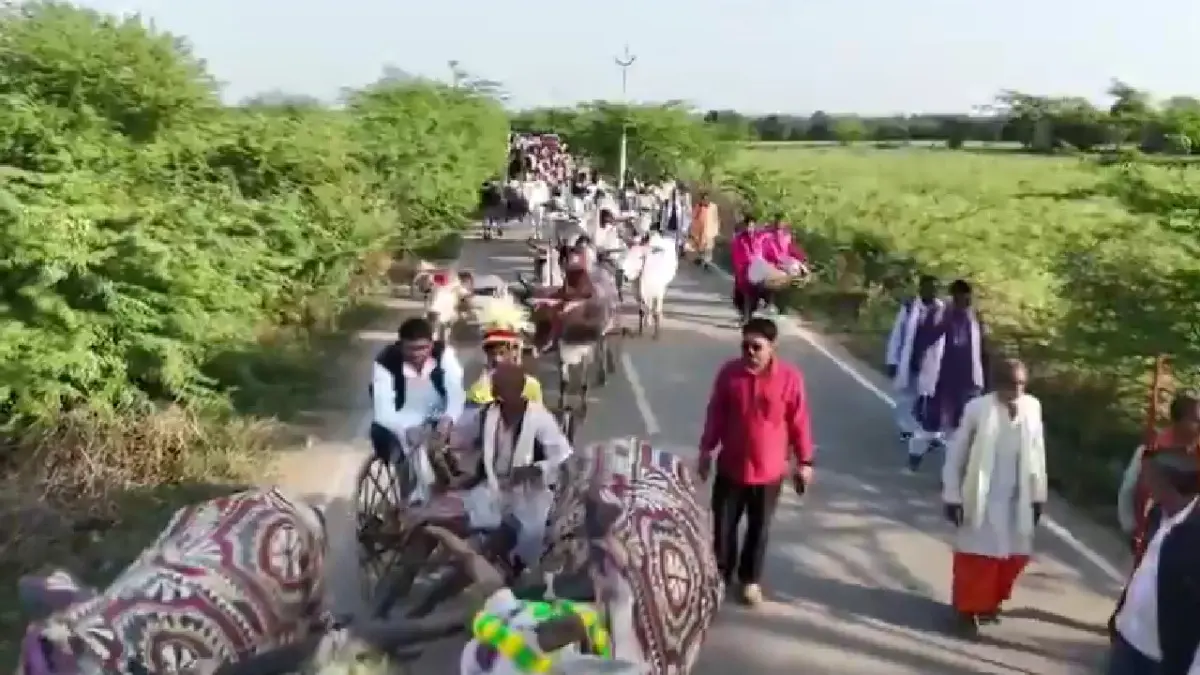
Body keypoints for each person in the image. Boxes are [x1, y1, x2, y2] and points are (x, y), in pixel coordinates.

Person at [699, 317, 815, 606]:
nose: (749, 352)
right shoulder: (729, 374)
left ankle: (750, 580)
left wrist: (805, 462)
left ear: (772, 346)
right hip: (731, 467)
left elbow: (799, 422)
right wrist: (706, 450)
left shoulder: (790, 379)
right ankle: (721, 576)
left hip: (769, 472)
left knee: (759, 529)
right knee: (723, 527)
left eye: (756, 347)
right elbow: (716, 414)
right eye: (745, 346)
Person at [941, 358, 1047, 633]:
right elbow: (956, 454)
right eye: (1011, 384)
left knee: (1013, 556)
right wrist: (952, 496)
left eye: (1022, 384)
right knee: (977, 558)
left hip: (1017, 499)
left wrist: (1038, 495)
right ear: (997, 384)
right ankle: (966, 612)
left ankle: (989, 603)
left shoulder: (1032, 407)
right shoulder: (977, 409)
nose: (1017, 390)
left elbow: (1038, 452)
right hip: (982, 496)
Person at [1108, 449, 1200, 675]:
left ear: (1168, 483)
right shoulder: (1158, 514)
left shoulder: (1194, 533)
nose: (1147, 485)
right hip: (1127, 638)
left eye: (1151, 478)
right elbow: (1144, 568)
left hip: (1159, 658)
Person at [370, 317, 466, 503]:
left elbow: (456, 393)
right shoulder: (385, 362)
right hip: (401, 420)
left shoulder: (444, 355)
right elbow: (383, 411)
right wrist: (404, 430)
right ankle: (414, 499)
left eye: (422, 348)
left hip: (438, 415)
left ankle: (450, 490)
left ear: (431, 345)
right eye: (410, 349)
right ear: (400, 346)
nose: (416, 354)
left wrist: (448, 418)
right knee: (410, 455)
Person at [907, 279, 985, 472]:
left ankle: (951, 472)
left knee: (959, 429)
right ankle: (915, 454)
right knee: (930, 424)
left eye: (967, 297)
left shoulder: (974, 318)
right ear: (954, 297)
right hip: (940, 380)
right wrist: (917, 365)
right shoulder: (941, 314)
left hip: (966, 382)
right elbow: (924, 340)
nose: (965, 301)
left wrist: (983, 380)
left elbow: (982, 350)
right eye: (961, 297)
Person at [1117, 393, 1200, 564]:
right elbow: (1128, 490)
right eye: (1195, 420)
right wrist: (1131, 528)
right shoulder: (1150, 451)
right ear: (1179, 421)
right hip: (1151, 540)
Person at [886, 275, 943, 444]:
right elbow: (898, 334)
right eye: (928, 287)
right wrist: (892, 360)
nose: (932, 291)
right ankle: (906, 429)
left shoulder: (943, 310)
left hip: (933, 362)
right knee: (906, 397)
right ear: (921, 289)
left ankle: (933, 433)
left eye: (935, 287)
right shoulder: (910, 307)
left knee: (933, 399)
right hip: (911, 359)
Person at [466, 296, 543, 407]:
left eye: (502, 353)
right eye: (492, 353)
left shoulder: (531, 386)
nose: (497, 358)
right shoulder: (479, 387)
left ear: (515, 352)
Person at [730, 215, 764, 322]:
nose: (750, 229)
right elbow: (736, 255)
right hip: (743, 270)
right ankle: (745, 315)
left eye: (752, 226)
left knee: (756, 293)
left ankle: (749, 314)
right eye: (748, 226)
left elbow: (761, 253)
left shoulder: (759, 238)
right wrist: (740, 268)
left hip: (756, 269)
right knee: (743, 293)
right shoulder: (739, 239)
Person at [688, 191, 720, 268]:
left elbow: (716, 219)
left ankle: (706, 262)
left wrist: (716, 231)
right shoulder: (698, 206)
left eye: (707, 199)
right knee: (700, 246)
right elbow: (693, 217)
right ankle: (701, 259)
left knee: (708, 247)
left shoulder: (713, 207)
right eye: (704, 199)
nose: (705, 201)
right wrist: (693, 229)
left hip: (709, 230)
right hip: (700, 230)